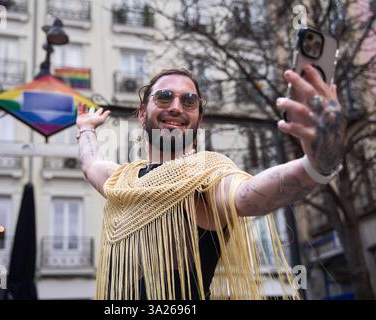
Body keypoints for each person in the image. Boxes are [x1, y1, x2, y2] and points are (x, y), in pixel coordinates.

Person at [76, 67, 346, 300]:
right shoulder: (122, 181)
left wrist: (316, 163)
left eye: (189, 100)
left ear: (198, 120)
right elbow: (91, 165)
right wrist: (86, 128)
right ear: (143, 114)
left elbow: (247, 194)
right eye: (164, 97)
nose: (176, 107)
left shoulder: (207, 176)